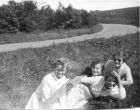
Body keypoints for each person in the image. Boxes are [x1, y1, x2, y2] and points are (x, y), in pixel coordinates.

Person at [51, 60, 126, 109]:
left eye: (114, 82)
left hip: (83, 96)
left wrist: (119, 82)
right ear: (105, 79)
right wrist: (69, 87)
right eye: (109, 80)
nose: (111, 83)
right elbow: (79, 78)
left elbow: (122, 96)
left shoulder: (112, 90)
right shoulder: (99, 79)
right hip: (77, 90)